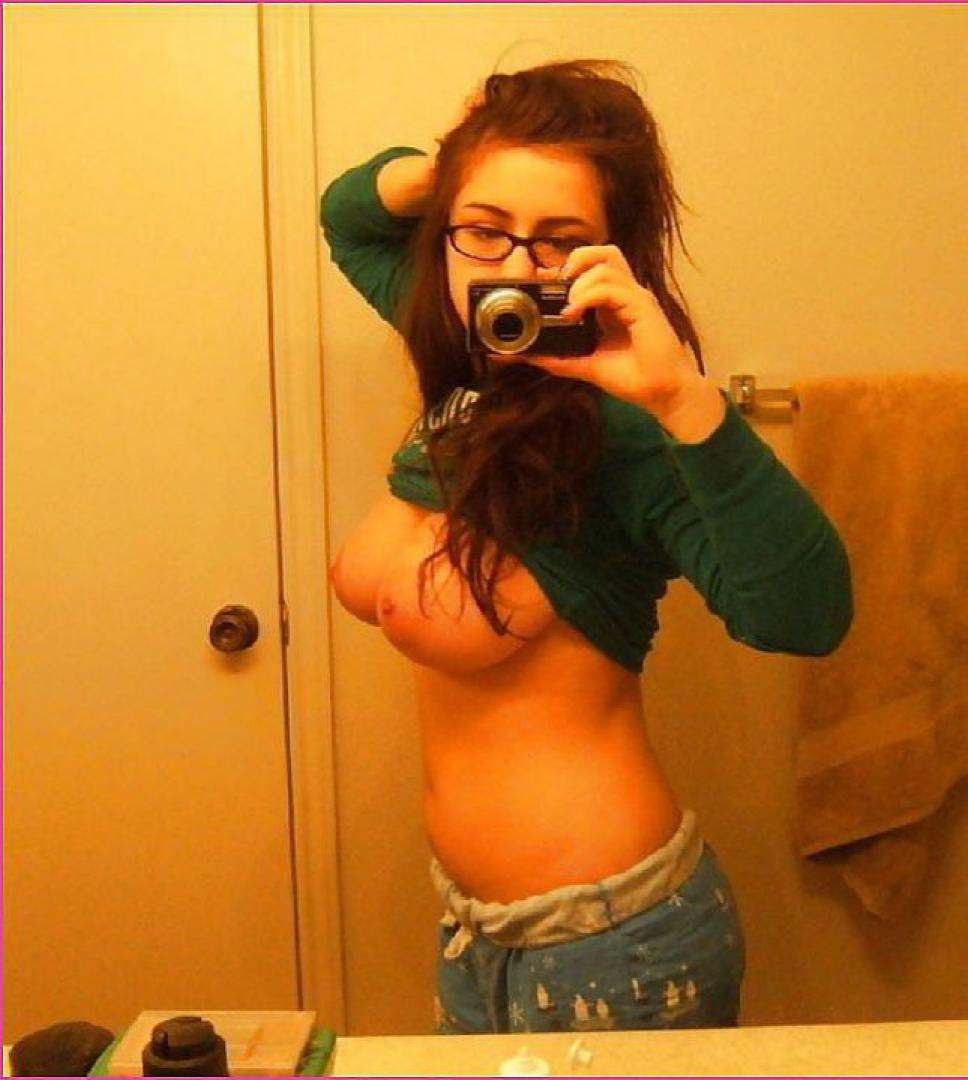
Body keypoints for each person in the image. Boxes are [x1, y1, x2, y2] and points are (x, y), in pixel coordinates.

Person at [319, 59, 852, 1035]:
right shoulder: (466, 353)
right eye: (484, 229)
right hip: (477, 936)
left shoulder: (627, 429)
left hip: (616, 950)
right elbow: (349, 214)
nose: (516, 270)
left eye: (559, 240)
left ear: (613, 256)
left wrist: (683, 401)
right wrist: (452, 161)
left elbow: (805, 615)